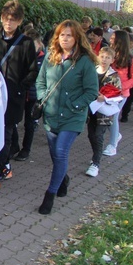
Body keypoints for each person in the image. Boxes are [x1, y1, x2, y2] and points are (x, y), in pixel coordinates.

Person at [36, 20, 98, 214]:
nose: (65, 38)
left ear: (77, 37)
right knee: (55, 154)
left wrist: (74, 105)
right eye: (62, 35)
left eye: (69, 35)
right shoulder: (51, 56)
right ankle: (63, 178)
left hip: (73, 117)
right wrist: (43, 99)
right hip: (51, 115)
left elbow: (91, 91)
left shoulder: (85, 61)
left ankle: (50, 195)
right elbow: (40, 82)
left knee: (61, 152)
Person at [0, 0, 38, 191]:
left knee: (5, 132)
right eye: (6, 19)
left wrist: (19, 88)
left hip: (14, 97)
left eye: (13, 20)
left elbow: (32, 71)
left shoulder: (26, 43)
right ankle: (4, 166)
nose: (9, 23)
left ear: (19, 21)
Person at [102, 30, 133, 157]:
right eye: (111, 37)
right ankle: (116, 135)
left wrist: (121, 86)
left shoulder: (130, 58)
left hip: (120, 94)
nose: (111, 39)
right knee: (106, 117)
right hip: (106, 92)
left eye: (113, 37)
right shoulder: (108, 53)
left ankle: (112, 145)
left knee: (112, 118)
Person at [86, 46, 122, 177]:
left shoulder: (114, 76)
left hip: (105, 111)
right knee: (91, 135)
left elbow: (118, 95)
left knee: (98, 134)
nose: (104, 60)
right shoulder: (92, 71)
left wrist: (105, 98)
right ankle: (96, 153)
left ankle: (96, 163)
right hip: (91, 109)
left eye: (108, 58)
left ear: (112, 60)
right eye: (102, 57)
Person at [10, 29, 45, 161]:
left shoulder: (43, 59)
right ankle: (14, 145)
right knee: (12, 120)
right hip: (19, 93)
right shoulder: (19, 56)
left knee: (29, 124)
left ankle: (26, 149)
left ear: (39, 44)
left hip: (33, 95)